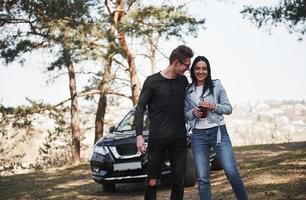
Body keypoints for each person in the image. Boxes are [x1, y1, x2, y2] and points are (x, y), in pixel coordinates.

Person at [184, 56, 248, 200]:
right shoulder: (188, 91)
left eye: (204, 68)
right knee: (202, 178)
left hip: (218, 132)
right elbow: (185, 115)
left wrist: (214, 106)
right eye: (198, 68)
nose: (201, 71)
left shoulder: (216, 86)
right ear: (193, 71)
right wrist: (192, 113)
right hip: (198, 136)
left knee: (231, 172)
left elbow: (228, 108)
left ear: (208, 70)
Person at [134, 45, 194, 200]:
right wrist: (139, 136)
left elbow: (192, 101)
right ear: (176, 62)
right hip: (157, 139)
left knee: (178, 181)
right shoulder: (152, 81)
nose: (188, 69)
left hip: (179, 139)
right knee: (152, 181)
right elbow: (140, 108)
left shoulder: (183, 81)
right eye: (186, 65)